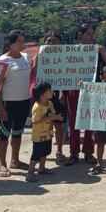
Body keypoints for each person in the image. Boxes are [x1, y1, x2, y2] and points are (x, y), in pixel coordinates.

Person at [65, 23, 106, 166]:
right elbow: (63, 71)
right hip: (74, 89)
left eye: (92, 34)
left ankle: (89, 152)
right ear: (80, 35)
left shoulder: (97, 50)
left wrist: (103, 54)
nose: (92, 36)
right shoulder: (71, 50)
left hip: (92, 90)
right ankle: (73, 152)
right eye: (88, 33)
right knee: (73, 122)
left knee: (90, 121)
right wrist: (61, 92)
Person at [0, 30, 33, 178]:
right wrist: (0, 107)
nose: (22, 44)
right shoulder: (1, 61)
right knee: (4, 133)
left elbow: (30, 75)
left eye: (23, 40)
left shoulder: (25, 57)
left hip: (24, 100)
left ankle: (15, 160)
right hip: (8, 102)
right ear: (10, 43)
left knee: (18, 132)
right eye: (19, 41)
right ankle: (2, 164)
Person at [33, 31, 68, 164]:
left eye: (55, 40)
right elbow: (34, 75)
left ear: (60, 43)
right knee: (43, 123)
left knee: (59, 125)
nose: (52, 43)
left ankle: (59, 151)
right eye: (49, 41)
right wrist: (36, 61)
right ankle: (41, 152)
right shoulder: (40, 56)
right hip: (43, 97)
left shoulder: (65, 57)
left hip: (58, 95)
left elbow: (67, 76)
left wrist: (62, 92)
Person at [26, 82, 62, 182]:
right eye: (49, 91)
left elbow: (53, 113)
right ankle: (30, 173)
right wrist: (52, 117)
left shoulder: (50, 103)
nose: (52, 92)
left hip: (48, 133)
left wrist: (55, 116)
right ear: (42, 94)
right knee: (36, 154)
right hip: (38, 135)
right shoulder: (37, 106)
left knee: (46, 151)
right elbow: (35, 120)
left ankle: (42, 168)